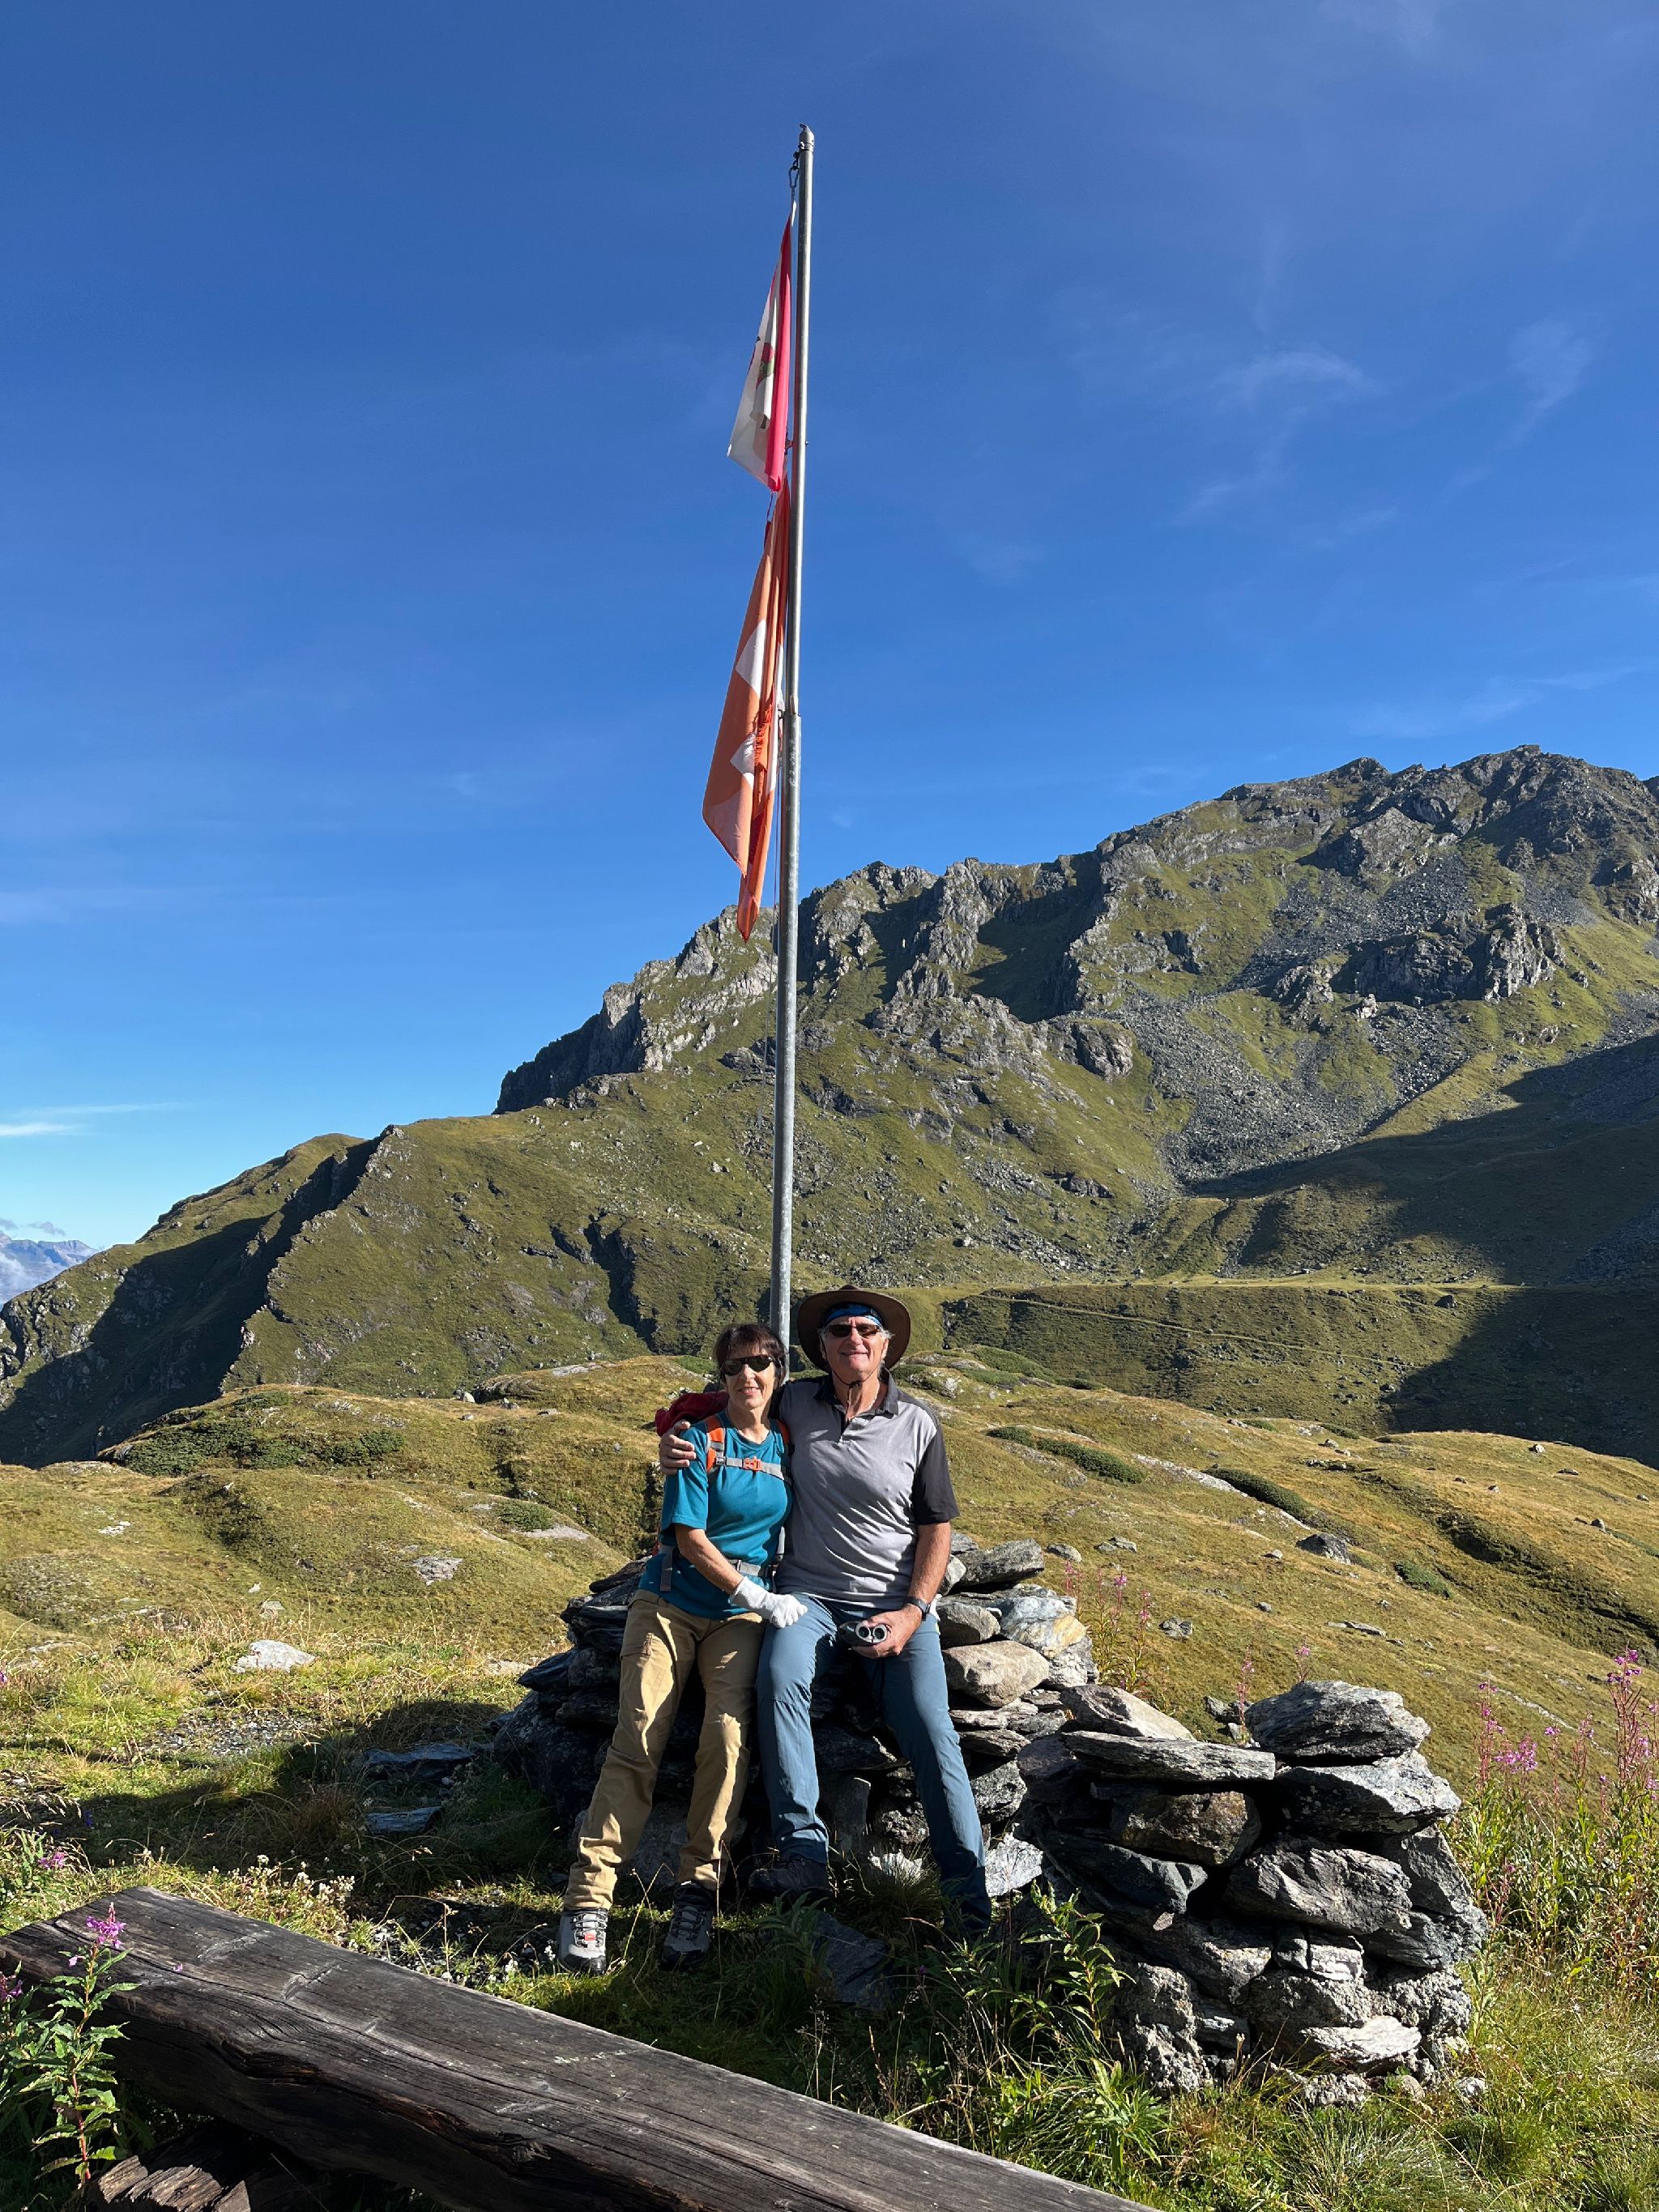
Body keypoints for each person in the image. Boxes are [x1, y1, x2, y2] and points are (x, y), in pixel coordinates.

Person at [659, 1285, 991, 1935]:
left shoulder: (917, 1422)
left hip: (893, 1604)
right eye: (840, 1330)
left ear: (886, 1345)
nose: (853, 1338)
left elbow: (937, 1527)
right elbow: (721, 1406)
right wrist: (672, 1433)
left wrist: (913, 1611)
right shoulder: (796, 1401)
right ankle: (804, 1854)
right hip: (807, 1596)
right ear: (822, 1346)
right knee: (779, 1678)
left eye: (867, 1329)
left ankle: (969, 1906)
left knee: (931, 1729)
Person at [557, 1320, 804, 1975]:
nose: (748, 1375)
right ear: (721, 1376)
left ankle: (698, 1892)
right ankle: (589, 1899)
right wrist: (757, 1595)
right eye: (734, 1366)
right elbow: (690, 1538)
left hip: (737, 1618)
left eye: (760, 1363)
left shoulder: (788, 1442)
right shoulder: (698, 1440)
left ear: (779, 1372)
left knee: (727, 1738)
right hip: (670, 1602)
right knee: (639, 1734)